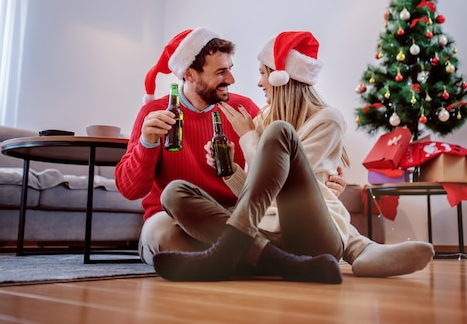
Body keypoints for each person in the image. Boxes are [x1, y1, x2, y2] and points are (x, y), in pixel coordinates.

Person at [153, 31, 435, 283]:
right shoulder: (262, 120)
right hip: (264, 233)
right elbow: (257, 197)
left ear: (282, 78)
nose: (259, 82)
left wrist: (248, 138)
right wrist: (231, 172)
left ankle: (228, 254)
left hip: (307, 233)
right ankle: (280, 263)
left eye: (264, 73)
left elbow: (284, 188)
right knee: (174, 193)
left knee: (280, 132)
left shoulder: (327, 121)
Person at [115, 28, 348, 266]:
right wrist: (147, 143)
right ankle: (267, 262)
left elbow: (279, 163)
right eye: (220, 72)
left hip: (231, 217)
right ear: (190, 75)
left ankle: (247, 261)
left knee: (231, 236)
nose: (231, 79)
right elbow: (130, 189)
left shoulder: (243, 110)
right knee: (164, 234)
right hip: (176, 217)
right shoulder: (154, 114)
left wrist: (319, 184)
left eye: (230, 69)